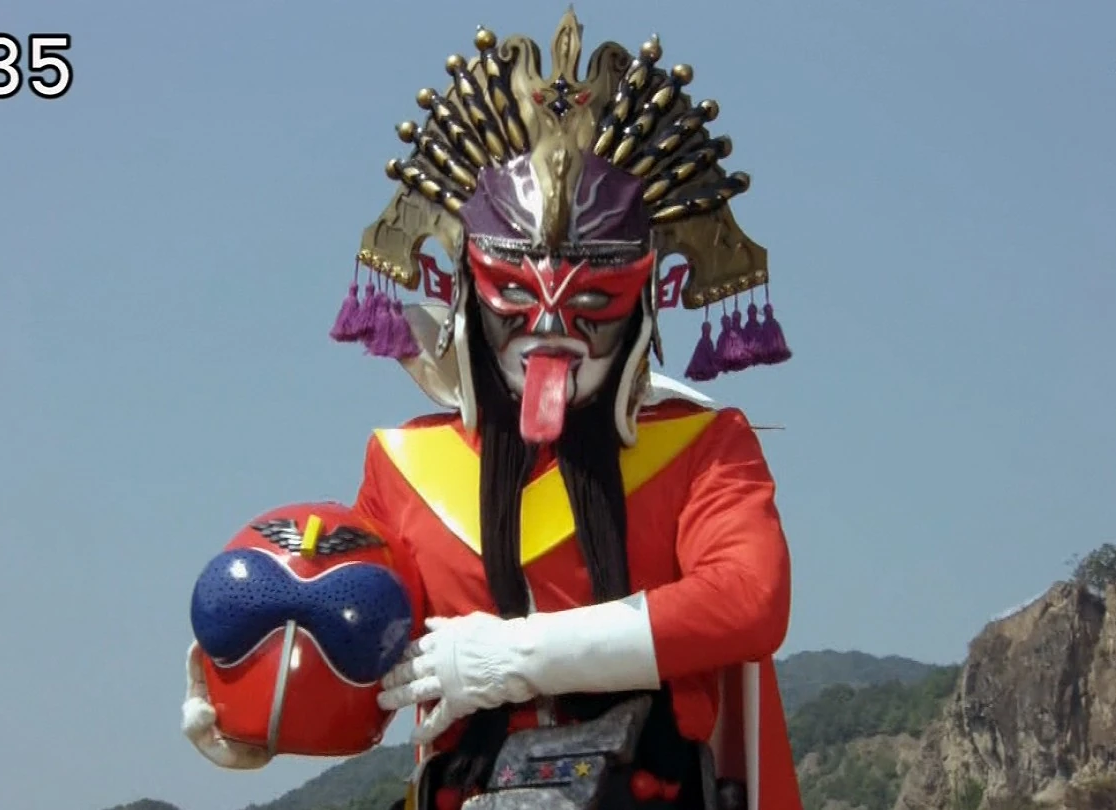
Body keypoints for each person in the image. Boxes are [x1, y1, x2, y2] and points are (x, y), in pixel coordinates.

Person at [183, 11, 800, 810]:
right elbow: (366, 643)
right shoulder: (404, 466)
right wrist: (256, 699)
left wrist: (521, 656)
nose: (551, 329)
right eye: (514, 294)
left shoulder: (704, 446)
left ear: (646, 302)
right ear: (467, 294)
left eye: (594, 301)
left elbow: (749, 600)